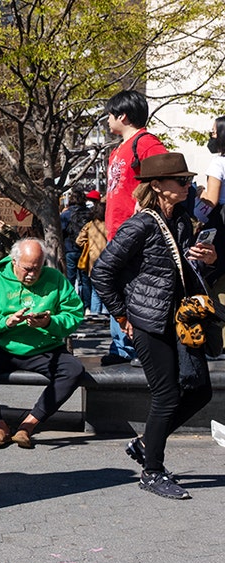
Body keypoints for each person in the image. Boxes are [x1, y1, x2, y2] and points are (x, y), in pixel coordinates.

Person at [91, 153, 217, 500]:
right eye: (180, 180)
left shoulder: (180, 220)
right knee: (167, 395)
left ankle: (146, 442)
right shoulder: (141, 224)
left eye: (188, 179)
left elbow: (181, 271)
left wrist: (208, 259)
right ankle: (152, 472)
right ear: (158, 186)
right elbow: (101, 271)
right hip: (148, 322)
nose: (187, 185)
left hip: (180, 319)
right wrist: (121, 315)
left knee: (201, 390)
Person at [0, 238, 86, 448]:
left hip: (44, 347)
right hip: (2, 345)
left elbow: (74, 315)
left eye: (37, 269)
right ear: (14, 262)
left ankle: (28, 425)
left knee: (74, 370)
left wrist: (49, 322)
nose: (32, 274)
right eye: (27, 269)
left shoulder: (55, 278)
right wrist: (4, 322)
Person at [103, 90, 166, 365]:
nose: (107, 120)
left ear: (122, 115)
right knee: (115, 289)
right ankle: (121, 347)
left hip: (134, 233)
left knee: (134, 292)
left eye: (109, 114)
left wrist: (144, 202)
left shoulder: (146, 142)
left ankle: (138, 349)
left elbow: (165, 170)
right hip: (116, 233)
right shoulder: (118, 149)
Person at [75, 200, 108, 316]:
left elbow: (79, 240)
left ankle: (95, 312)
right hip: (108, 259)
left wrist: (88, 245)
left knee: (95, 289)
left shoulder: (91, 225)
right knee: (107, 288)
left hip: (93, 259)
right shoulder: (110, 224)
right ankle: (106, 311)